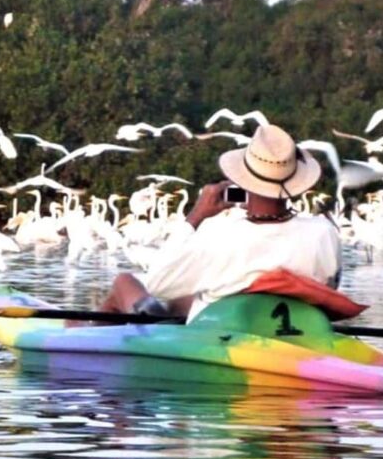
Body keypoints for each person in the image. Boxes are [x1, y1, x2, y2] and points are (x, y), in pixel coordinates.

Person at [100, 124, 342, 322]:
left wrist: (195, 216)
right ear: (294, 184)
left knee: (124, 282)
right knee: (180, 298)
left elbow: (157, 284)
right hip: (289, 324)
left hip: (221, 332)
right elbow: (330, 286)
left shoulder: (220, 233)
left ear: (243, 182)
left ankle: (77, 336)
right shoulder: (324, 232)